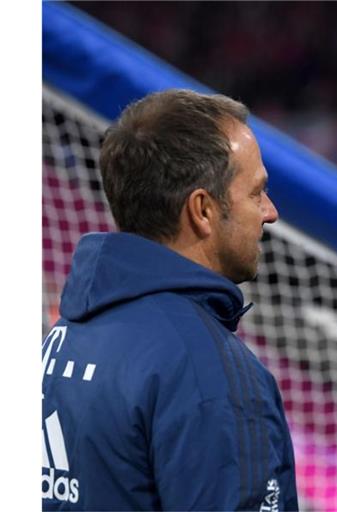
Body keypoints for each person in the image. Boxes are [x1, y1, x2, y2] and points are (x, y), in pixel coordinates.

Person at [41, 89, 299, 511]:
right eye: (256, 192)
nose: (269, 211)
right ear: (203, 210)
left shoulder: (63, 337)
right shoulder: (206, 370)